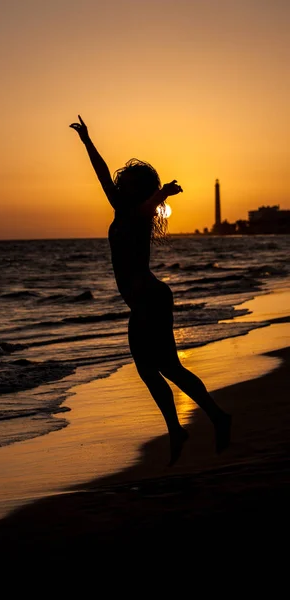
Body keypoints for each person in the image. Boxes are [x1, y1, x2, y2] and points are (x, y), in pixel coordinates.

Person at [69, 115, 232, 466]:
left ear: (137, 188)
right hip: (142, 303)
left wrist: (163, 193)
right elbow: (100, 173)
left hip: (150, 301)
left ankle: (212, 418)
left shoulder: (140, 213)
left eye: (125, 180)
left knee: (168, 367)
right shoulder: (121, 207)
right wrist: (87, 141)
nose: (118, 181)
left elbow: (148, 206)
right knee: (149, 369)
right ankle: (180, 428)